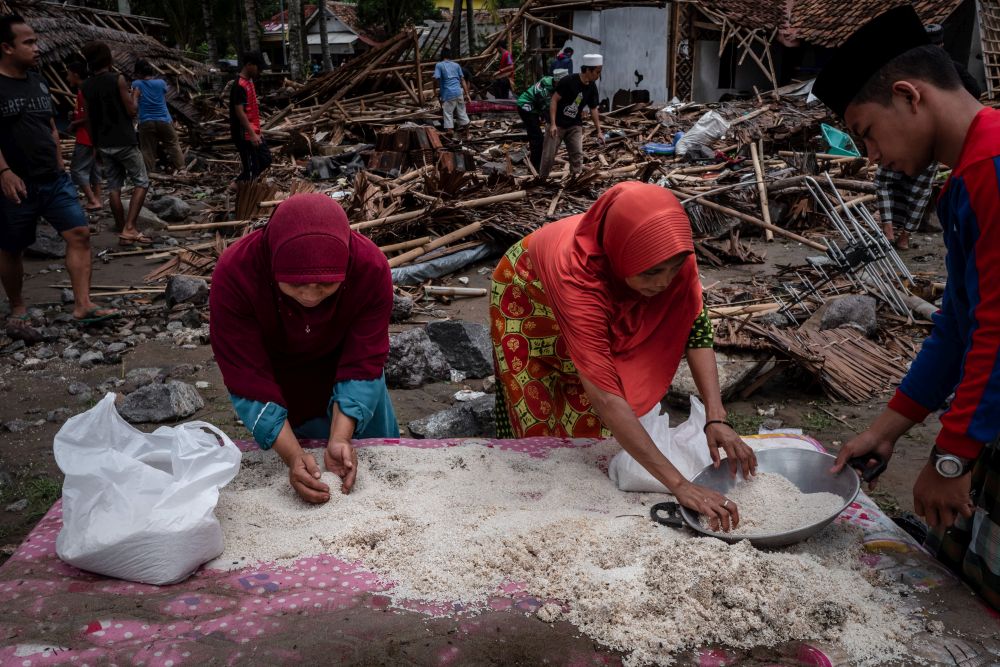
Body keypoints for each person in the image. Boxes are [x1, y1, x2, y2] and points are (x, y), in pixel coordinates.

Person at [814, 6, 1000, 608]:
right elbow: (957, 327)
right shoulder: (963, 181)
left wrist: (949, 458)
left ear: (908, 96)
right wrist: (886, 429)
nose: (870, 154)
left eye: (866, 131)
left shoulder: (993, 171)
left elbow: (999, 333)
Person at [490, 181, 757, 530]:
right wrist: (679, 485)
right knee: (544, 409)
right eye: (651, 273)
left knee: (594, 422)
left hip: (605, 294)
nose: (663, 283)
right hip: (529, 298)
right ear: (620, 256)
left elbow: (694, 325)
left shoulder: (672, 256)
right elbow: (603, 393)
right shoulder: (578, 279)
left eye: (672, 270)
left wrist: (715, 416)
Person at [210, 194, 399, 504]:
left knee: (374, 467)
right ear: (272, 265)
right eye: (296, 284)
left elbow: (363, 358)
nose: (311, 295)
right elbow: (246, 372)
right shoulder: (237, 272)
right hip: (276, 377)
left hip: (349, 373)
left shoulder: (369, 268)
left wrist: (340, 438)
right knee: (299, 460)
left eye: (326, 285)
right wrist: (293, 456)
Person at [0, 15, 117, 332]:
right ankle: (18, 305)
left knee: (79, 233)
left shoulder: (37, 80)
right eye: (28, 43)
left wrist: (59, 160)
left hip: (53, 179)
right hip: (16, 183)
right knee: (12, 248)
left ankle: (83, 305)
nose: (37, 48)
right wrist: (5, 171)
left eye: (36, 41)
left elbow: (50, 126)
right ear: (6, 47)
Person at [874, 22, 981, 251]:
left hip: (901, 135)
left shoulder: (908, 69)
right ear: (942, 45)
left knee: (886, 181)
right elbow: (975, 92)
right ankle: (903, 236)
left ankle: (889, 229)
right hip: (929, 140)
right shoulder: (953, 70)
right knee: (918, 190)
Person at [80, 40, 150, 246]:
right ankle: (129, 227)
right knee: (141, 181)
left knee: (114, 187)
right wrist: (135, 96)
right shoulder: (116, 79)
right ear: (107, 58)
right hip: (124, 141)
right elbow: (132, 111)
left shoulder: (85, 86)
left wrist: (94, 146)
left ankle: (122, 231)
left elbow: (88, 120)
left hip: (103, 143)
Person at [539, 54, 604, 181]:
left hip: (574, 124)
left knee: (577, 154)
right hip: (557, 124)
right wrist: (552, 124)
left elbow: (593, 109)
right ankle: (541, 180)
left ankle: (575, 180)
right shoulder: (568, 81)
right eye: (597, 72)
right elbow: (554, 100)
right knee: (549, 155)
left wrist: (599, 131)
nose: (598, 76)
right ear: (588, 70)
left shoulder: (592, 87)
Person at [131, 59, 185, 174]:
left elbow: (134, 105)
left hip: (146, 121)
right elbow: (163, 93)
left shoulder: (136, 84)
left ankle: (150, 173)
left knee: (147, 149)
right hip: (164, 119)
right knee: (173, 144)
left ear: (139, 73)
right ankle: (181, 169)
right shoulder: (161, 83)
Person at [229, 51, 271, 183]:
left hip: (254, 130)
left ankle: (240, 183)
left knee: (266, 159)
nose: (259, 71)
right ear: (249, 65)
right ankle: (242, 190)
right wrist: (252, 134)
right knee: (252, 167)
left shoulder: (249, 82)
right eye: (257, 67)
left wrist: (257, 131)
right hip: (244, 134)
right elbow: (240, 112)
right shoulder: (239, 85)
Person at [65, 60, 102, 212]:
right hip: (92, 136)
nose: (67, 78)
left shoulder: (83, 91)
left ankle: (93, 200)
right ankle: (97, 198)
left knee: (77, 170)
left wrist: (75, 124)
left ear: (75, 74)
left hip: (86, 136)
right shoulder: (90, 89)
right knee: (93, 168)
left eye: (68, 74)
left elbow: (90, 116)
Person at [517, 68, 567, 172]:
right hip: (526, 107)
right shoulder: (543, 91)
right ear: (557, 82)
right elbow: (547, 109)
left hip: (534, 108)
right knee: (536, 138)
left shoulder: (552, 83)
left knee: (538, 138)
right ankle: (534, 168)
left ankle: (537, 164)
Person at [433, 47, 471, 137]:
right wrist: (467, 94)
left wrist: (434, 89)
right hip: (458, 92)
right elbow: (463, 80)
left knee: (448, 113)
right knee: (462, 112)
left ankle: (450, 132)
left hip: (448, 93)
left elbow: (436, 79)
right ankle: (468, 133)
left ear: (441, 55)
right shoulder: (456, 65)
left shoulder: (439, 65)